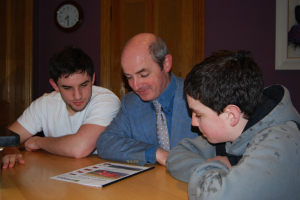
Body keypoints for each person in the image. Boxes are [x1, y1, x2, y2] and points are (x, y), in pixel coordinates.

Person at [166, 50, 300, 199]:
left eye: (198, 114)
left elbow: (216, 196)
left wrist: (222, 169)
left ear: (231, 115)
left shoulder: (281, 144)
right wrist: (227, 166)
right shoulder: (231, 132)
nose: (193, 122)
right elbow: (176, 156)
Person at [2, 46, 121, 169]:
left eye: (84, 85)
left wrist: (39, 142)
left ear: (93, 79)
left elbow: (79, 148)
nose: (77, 95)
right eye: (67, 88)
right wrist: (9, 148)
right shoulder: (44, 104)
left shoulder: (106, 100)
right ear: (55, 85)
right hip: (57, 176)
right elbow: (6, 141)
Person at [96, 33, 199, 166]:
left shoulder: (199, 97)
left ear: (166, 64)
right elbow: (106, 143)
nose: (135, 86)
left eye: (143, 75)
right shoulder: (131, 102)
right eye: (129, 77)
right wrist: (154, 153)